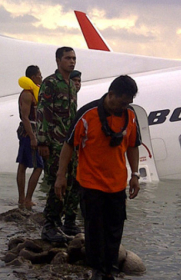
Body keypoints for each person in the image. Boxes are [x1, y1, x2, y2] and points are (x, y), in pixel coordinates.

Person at [55, 75, 141, 280]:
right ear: (111, 94)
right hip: (90, 183)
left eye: (128, 103)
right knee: (94, 230)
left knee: (114, 230)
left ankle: (111, 269)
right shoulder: (87, 114)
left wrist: (135, 174)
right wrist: (61, 176)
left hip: (117, 185)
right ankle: (97, 270)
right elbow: (68, 145)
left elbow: (133, 146)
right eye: (122, 102)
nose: (124, 106)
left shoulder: (130, 116)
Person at [36, 47, 77, 242]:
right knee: (56, 183)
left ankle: (64, 223)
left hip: (68, 143)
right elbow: (43, 112)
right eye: (68, 58)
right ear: (58, 61)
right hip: (53, 143)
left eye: (74, 58)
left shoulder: (71, 85)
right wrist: (43, 141)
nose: (72, 61)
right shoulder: (50, 83)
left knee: (70, 183)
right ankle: (49, 226)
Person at [16, 65, 43, 209]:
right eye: (39, 75)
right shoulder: (27, 94)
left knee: (23, 164)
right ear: (33, 77)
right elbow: (25, 117)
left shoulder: (34, 92)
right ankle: (26, 199)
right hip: (28, 133)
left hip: (33, 131)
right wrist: (32, 137)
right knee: (38, 166)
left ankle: (23, 199)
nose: (41, 77)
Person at [60, 69, 83, 235]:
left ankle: (69, 220)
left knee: (75, 183)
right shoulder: (61, 95)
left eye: (79, 81)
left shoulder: (74, 99)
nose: (77, 84)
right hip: (61, 146)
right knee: (61, 182)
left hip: (72, 147)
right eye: (74, 80)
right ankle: (54, 221)